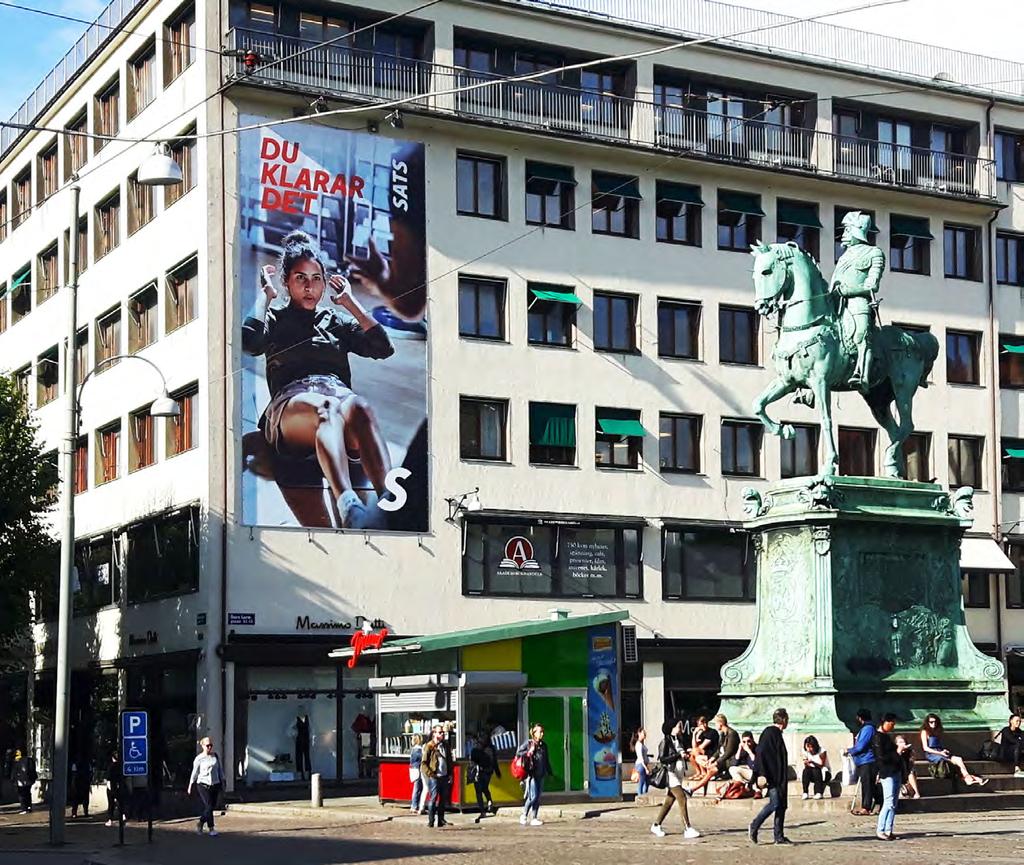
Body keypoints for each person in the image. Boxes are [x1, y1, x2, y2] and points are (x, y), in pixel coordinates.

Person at [241, 230, 397, 529]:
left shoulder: (335, 320)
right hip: (291, 409)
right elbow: (250, 343)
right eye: (300, 278)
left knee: (360, 406)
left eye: (316, 279)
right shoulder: (275, 319)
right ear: (286, 282)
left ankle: (388, 500)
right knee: (327, 406)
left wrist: (350, 303)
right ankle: (347, 503)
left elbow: (383, 348)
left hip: (337, 397)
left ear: (325, 283)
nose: (309, 287)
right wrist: (265, 295)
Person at [831, 210, 884, 392]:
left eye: (847, 230)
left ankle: (862, 374)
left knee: (861, 334)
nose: (843, 235)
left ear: (856, 231)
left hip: (858, 301)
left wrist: (849, 290)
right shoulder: (844, 256)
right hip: (836, 301)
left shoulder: (874, 253)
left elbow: (872, 284)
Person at [649, 718, 700, 840]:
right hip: (670, 774)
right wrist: (678, 755)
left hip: (678, 773)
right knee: (682, 798)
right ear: (671, 728)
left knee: (669, 801)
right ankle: (687, 828)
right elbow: (663, 759)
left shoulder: (679, 740)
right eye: (678, 726)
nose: (680, 728)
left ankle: (656, 825)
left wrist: (685, 754)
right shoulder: (665, 741)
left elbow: (680, 754)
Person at [748, 707, 791, 846]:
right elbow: (761, 753)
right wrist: (761, 774)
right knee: (775, 803)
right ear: (784, 720)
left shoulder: (777, 733)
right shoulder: (770, 732)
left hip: (779, 777)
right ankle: (754, 825)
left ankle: (779, 836)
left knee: (781, 806)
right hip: (772, 777)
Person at [919, 713, 987, 786]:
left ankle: (968, 778)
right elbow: (925, 748)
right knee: (951, 762)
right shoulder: (925, 732)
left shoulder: (937, 731)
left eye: (935, 722)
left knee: (958, 759)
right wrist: (940, 753)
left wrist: (943, 750)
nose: (933, 724)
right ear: (927, 723)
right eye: (931, 722)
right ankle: (973, 778)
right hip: (932, 754)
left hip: (940, 751)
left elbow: (939, 745)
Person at [872, 713, 909, 841]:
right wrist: (897, 752)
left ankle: (888, 829)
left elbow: (893, 752)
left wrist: (902, 751)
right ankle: (880, 830)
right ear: (885, 722)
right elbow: (881, 758)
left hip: (895, 771)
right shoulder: (877, 738)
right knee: (888, 802)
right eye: (892, 723)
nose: (893, 726)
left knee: (893, 803)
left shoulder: (886, 737)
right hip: (887, 773)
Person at [687, 714, 738, 796]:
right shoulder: (722, 734)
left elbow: (728, 753)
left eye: (715, 723)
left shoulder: (732, 734)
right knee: (701, 761)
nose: (715, 725)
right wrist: (712, 759)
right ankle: (695, 787)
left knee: (711, 770)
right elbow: (719, 750)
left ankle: (692, 789)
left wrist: (716, 763)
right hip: (721, 760)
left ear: (721, 723)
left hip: (728, 761)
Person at [187, 736, 225, 836]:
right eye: (207, 745)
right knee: (208, 806)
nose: (209, 747)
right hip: (203, 784)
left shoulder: (215, 756)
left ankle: (200, 822)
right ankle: (211, 828)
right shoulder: (199, 759)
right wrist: (190, 784)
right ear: (203, 746)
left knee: (212, 806)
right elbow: (194, 772)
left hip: (215, 783)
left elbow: (219, 769)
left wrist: (223, 780)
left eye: (211, 745)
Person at [844, 708, 878, 815]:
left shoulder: (868, 729)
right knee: (867, 784)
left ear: (860, 718)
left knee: (867, 785)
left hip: (867, 760)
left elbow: (861, 746)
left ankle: (866, 807)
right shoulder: (865, 728)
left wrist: (849, 751)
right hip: (863, 761)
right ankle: (873, 804)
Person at [516, 724, 549, 827]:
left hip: (541, 774)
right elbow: (518, 753)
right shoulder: (529, 743)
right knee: (532, 797)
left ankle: (534, 817)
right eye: (540, 732)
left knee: (538, 797)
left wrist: (549, 771)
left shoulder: (543, 745)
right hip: (532, 774)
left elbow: (546, 760)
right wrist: (528, 752)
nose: (542, 734)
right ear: (534, 733)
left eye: (543, 732)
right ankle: (524, 815)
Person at [421, 724, 453, 828]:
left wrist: (450, 774)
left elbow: (449, 761)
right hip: (434, 777)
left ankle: (441, 820)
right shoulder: (429, 746)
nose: (442, 734)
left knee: (443, 800)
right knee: (433, 798)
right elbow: (423, 763)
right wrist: (431, 774)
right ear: (434, 733)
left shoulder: (446, 745)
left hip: (444, 776)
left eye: (443, 732)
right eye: (440, 732)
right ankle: (431, 821)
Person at [470, 731, 501, 822]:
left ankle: (482, 810)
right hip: (488, 771)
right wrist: (497, 771)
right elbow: (494, 761)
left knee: (479, 791)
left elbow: (472, 761)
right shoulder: (491, 748)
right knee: (484, 788)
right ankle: (489, 801)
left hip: (479, 772)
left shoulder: (476, 748)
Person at [894, 735, 921, 799]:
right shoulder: (894, 752)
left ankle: (916, 792)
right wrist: (899, 751)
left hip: (907, 774)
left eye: (903, 742)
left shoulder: (909, 752)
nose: (902, 744)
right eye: (900, 742)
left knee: (911, 774)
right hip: (898, 774)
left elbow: (911, 765)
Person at [13, 748, 36, 814]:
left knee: (22, 794)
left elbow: (15, 771)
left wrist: (14, 779)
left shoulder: (17, 760)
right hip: (27, 780)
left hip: (21, 780)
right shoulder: (29, 760)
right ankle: (28, 807)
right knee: (27, 793)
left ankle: (24, 808)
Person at [105, 751, 124, 827]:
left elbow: (108, 778)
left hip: (111, 786)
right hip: (119, 786)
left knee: (111, 804)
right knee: (120, 802)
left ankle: (110, 820)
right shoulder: (121, 766)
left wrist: (109, 788)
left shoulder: (111, 766)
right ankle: (123, 815)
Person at [630, 727, 650, 796]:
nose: (645, 735)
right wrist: (646, 768)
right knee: (641, 782)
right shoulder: (638, 744)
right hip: (641, 765)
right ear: (639, 733)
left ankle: (644, 796)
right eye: (643, 733)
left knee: (647, 782)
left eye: (645, 733)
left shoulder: (642, 744)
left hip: (643, 765)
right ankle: (640, 796)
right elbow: (640, 757)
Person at [408, 734, 425, 814]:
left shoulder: (413, 749)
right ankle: (414, 806)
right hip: (417, 770)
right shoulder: (418, 750)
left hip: (415, 769)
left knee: (418, 788)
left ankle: (415, 805)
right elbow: (423, 758)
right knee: (417, 788)